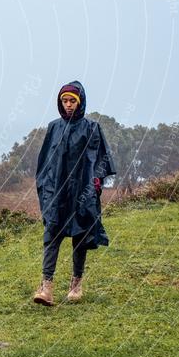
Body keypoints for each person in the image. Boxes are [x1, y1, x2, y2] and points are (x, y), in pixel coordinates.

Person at [32, 80, 116, 305]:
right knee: (52, 234)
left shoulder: (91, 128)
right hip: (57, 193)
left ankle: (76, 285)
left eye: (72, 101)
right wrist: (45, 188)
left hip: (81, 192)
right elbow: (44, 163)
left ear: (80, 102)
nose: (68, 105)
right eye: (64, 101)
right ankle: (46, 287)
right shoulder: (54, 127)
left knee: (80, 236)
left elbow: (101, 159)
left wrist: (95, 185)